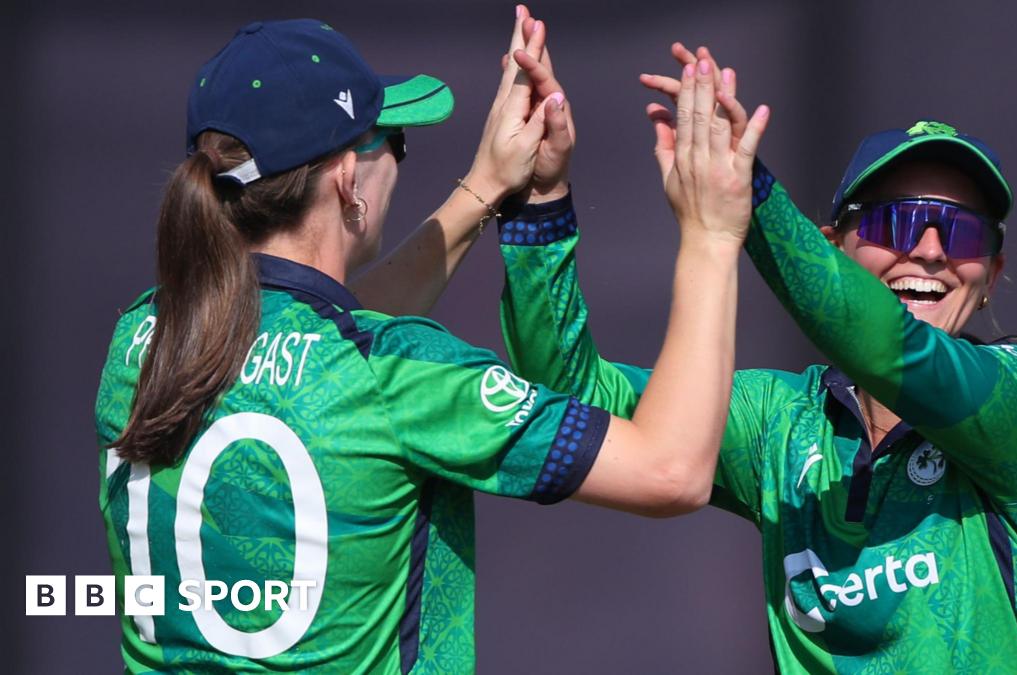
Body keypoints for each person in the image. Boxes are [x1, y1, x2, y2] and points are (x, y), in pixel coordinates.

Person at [94, 13, 769, 673]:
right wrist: (711, 236)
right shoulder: (399, 370)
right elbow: (671, 471)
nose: (398, 156)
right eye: (394, 140)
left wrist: (488, 186)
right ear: (347, 179)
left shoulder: (143, 337)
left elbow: (328, 352)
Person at [497, 42, 1017, 673]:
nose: (929, 252)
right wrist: (540, 202)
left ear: (992, 276)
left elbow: (892, 349)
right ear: (832, 248)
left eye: (964, 232)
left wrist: (747, 193)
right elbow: (572, 397)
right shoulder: (782, 421)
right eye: (895, 223)